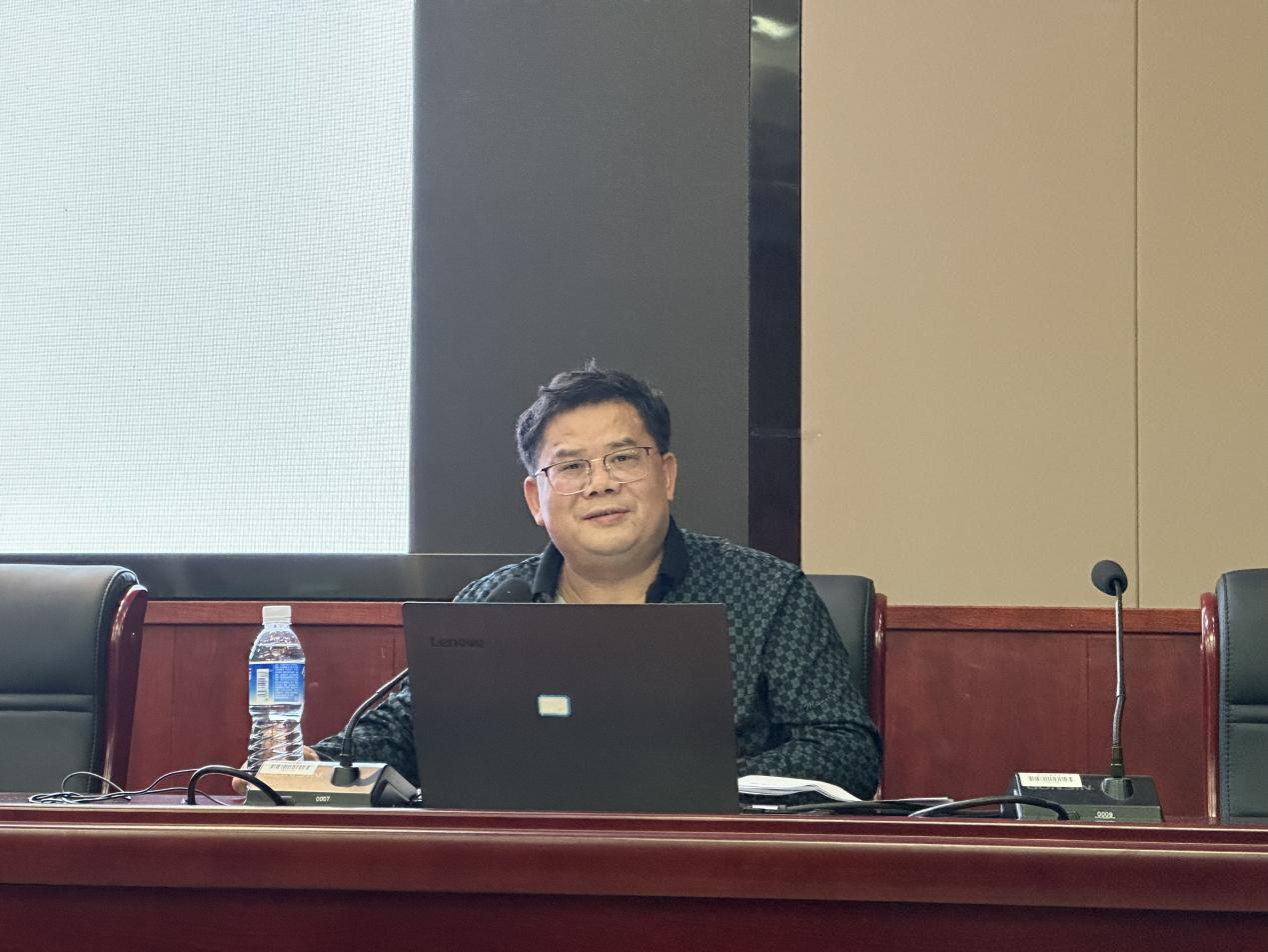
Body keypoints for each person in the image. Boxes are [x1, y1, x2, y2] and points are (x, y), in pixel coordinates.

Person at [310, 364, 882, 797]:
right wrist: (312, 764)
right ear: (536, 499)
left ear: (666, 475)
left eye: (623, 458)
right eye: (571, 466)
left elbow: (844, 750)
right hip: (521, 869)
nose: (600, 483)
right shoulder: (495, 602)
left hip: (709, 868)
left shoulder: (766, 592)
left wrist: (691, 787)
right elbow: (404, 731)